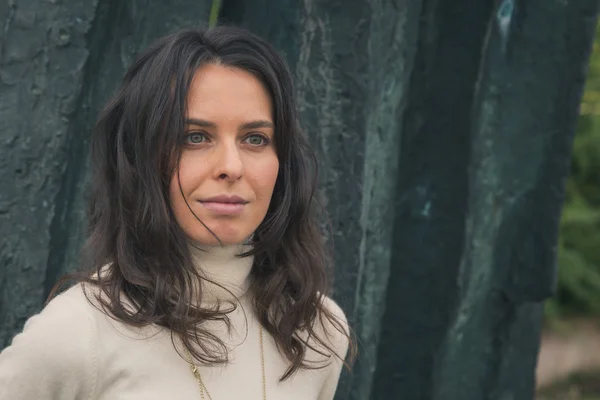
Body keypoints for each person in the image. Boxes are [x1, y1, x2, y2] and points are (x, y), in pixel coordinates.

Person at [0, 26, 354, 399]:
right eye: (195, 137)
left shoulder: (318, 330)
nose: (231, 166)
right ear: (141, 158)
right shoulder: (78, 333)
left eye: (255, 139)